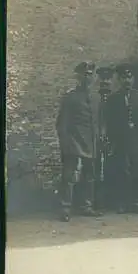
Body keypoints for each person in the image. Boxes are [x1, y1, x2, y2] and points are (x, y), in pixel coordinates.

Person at [55, 61, 103, 222]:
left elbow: (99, 120)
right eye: (84, 74)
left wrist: (100, 136)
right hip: (74, 142)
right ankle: (65, 208)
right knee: (69, 175)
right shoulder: (70, 97)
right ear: (78, 76)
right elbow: (62, 123)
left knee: (90, 175)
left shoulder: (97, 97)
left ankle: (86, 206)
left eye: (90, 74)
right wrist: (65, 142)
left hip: (91, 142)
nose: (87, 77)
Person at [105, 63, 138, 214]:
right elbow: (109, 120)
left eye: (130, 77)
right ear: (119, 80)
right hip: (120, 140)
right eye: (124, 77)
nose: (127, 80)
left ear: (133, 79)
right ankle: (122, 203)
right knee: (121, 171)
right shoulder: (113, 99)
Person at [96, 65, 115, 210]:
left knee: (112, 169)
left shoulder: (117, 99)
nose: (105, 82)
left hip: (113, 140)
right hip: (96, 139)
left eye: (108, 80)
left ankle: (110, 201)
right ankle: (97, 202)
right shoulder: (94, 99)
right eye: (103, 80)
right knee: (96, 170)